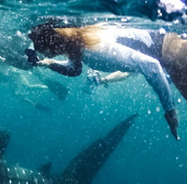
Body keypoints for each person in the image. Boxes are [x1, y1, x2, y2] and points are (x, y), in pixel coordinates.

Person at [27, 22, 184, 139]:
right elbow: (75, 70)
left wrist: (170, 111)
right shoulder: (77, 44)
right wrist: (49, 64)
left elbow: (152, 66)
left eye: (42, 50)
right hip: (169, 54)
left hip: (172, 52)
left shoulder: (92, 51)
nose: (43, 53)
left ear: (53, 44)